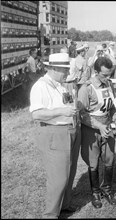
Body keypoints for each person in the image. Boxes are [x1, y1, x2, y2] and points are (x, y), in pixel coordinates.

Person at [29, 53, 81, 218]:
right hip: (55, 132)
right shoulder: (40, 86)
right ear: (52, 68)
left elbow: (66, 103)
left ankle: (64, 205)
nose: (67, 73)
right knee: (58, 177)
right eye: (64, 69)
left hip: (70, 130)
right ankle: (50, 214)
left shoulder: (61, 84)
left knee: (70, 172)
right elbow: (36, 114)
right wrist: (62, 111)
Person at [77, 56, 116, 209]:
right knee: (93, 163)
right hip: (91, 130)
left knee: (109, 160)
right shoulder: (86, 88)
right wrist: (98, 126)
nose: (108, 77)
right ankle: (95, 193)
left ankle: (107, 189)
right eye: (104, 74)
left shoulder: (109, 84)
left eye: (110, 74)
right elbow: (81, 113)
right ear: (96, 72)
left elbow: (113, 107)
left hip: (107, 126)